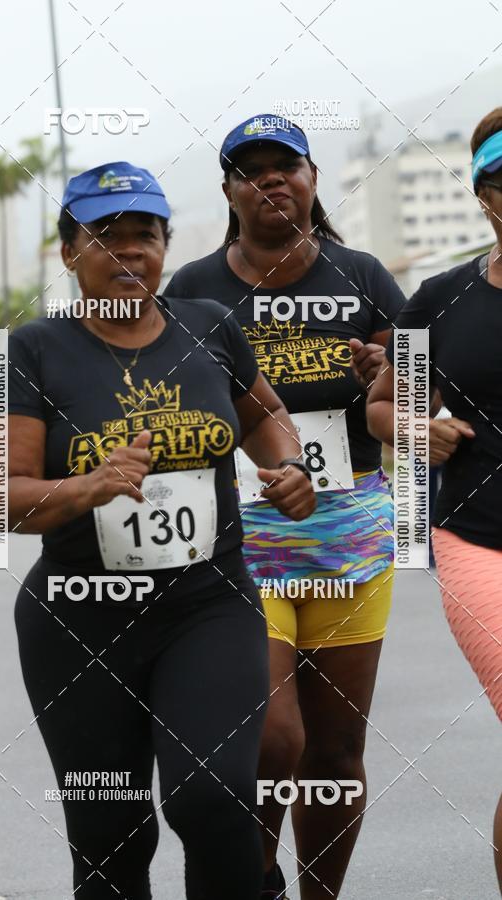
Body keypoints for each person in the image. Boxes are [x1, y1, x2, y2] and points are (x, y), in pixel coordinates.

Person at [9, 161, 317, 899]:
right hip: (78, 619)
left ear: (166, 245)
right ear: (68, 252)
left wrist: (289, 464)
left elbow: (265, 415)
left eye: (144, 235)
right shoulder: (32, 350)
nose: (128, 253)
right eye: (105, 237)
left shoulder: (208, 325)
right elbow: (3, 498)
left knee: (210, 798)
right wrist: (89, 485)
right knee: (109, 834)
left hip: (205, 605)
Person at [164, 114, 406, 899]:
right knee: (271, 740)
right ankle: (255, 884)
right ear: (229, 191)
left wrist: (384, 373)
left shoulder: (364, 275)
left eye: (284, 167)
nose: (269, 180)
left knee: (334, 756)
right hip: (241, 543)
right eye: (249, 170)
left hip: (351, 538)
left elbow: (418, 393)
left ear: (311, 179)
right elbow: (162, 401)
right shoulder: (196, 289)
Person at [367, 107, 502, 894]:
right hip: (480, 540)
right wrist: (417, 429)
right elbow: (384, 406)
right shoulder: (444, 300)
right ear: (484, 195)